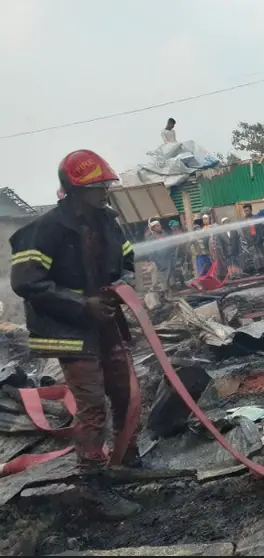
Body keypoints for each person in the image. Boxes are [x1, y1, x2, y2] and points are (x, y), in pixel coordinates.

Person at [10, 149, 141, 518]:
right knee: (92, 405)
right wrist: (83, 304)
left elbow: (127, 261)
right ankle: (92, 484)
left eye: (105, 185)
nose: (104, 191)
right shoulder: (45, 229)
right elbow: (26, 282)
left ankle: (126, 461)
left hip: (106, 323)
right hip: (69, 330)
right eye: (97, 187)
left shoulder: (108, 223)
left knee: (127, 393)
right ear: (74, 190)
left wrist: (123, 286)